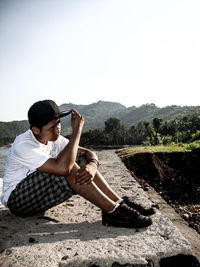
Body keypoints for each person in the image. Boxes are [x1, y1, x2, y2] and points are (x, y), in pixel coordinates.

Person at [1, 100, 154, 228]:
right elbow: (64, 168)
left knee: (79, 158)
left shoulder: (53, 138)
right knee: (68, 165)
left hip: (35, 194)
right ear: (35, 130)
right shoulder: (24, 144)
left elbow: (87, 153)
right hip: (17, 200)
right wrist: (77, 132)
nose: (58, 130)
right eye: (52, 127)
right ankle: (112, 212)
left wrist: (92, 165)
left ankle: (118, 202)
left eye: (59, 123)